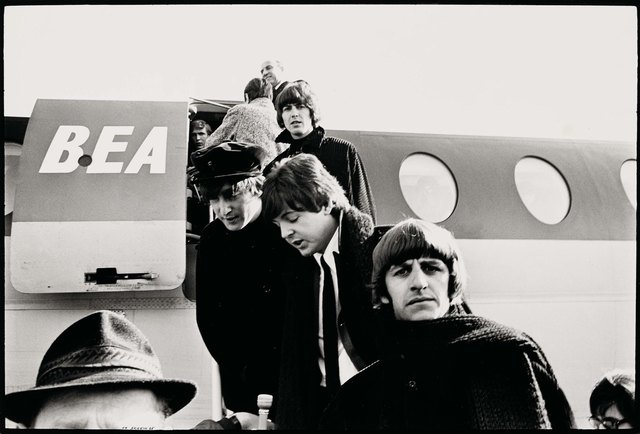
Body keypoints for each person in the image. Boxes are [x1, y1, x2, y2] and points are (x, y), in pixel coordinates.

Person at [319, 218, 577, 430]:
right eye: (402, 271)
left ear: (452, 284)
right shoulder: (358, 397)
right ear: (383, 292)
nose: (419, 282)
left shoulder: (506, 353)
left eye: (432, 268)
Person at [261, 153, 380, 429]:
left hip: (371, 405)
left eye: (292, 218)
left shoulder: (375, 255)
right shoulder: (300, 267)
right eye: (279, 224)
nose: (285, 233)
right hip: (324, 405)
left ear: (326, 202)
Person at [190, 141, 290, 418]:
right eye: (215, 199)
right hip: (241, 384)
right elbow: (208, 318)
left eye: (231, 196)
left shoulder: (286, 233)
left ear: (256, 188)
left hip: (290, 380)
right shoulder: (212, 239)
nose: (224, 210)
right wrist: (238, 369)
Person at [263, 80, 377, 223]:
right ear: (281, 115)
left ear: (312, 111)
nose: (294, 114)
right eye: (287, 108)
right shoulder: (275, 166)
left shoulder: (342, 151)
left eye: (300, 107)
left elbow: (363, 210)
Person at [205, 78, 287, 163]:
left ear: (246, 97)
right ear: (270, 96)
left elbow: (211, 143)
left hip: (252, 173)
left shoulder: (241, 110)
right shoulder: (282, 116)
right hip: (279, 173)